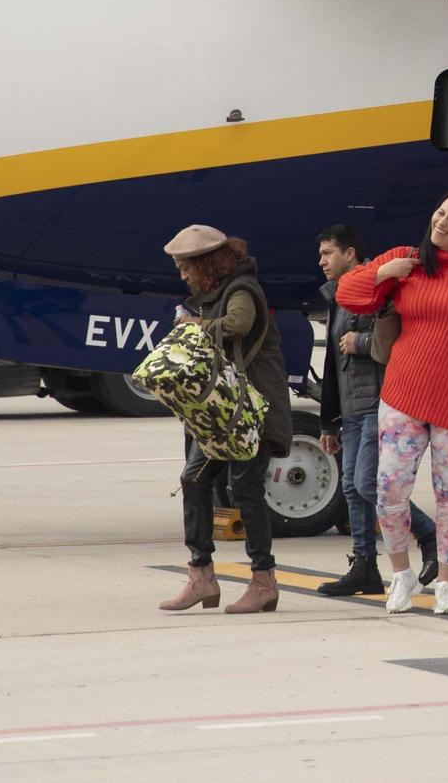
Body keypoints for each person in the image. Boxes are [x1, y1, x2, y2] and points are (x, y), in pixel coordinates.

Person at [334, 193, 448, 616]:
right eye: (439, 214)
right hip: (404, 393)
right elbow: (347, 294)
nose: (443, 223)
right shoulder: (407, 260)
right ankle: (401, 575)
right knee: (388, 490)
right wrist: (385, 271)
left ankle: (447, 584)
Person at [157, 225, 294, 616]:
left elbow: (238, 325)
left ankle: (264, 581)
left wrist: (194, 326)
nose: (183, 276)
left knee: (245, 487)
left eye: (186, 268)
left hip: (252, 412)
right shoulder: (211, 296)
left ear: (207, 264)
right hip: (223, 414)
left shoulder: (241, 290)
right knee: (193, 479)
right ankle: (201, 575)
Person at [314, 225, 440, 597]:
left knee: (368, 483)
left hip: (380, 401)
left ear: (350, 254)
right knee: (352, 488)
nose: (321, 261)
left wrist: (361, 341)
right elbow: (333, 363)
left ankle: (427, 532)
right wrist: (329, 420)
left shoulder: (379, 285)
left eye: (327, 253)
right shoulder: (337, 295)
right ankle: (365, 566)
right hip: (353, 407)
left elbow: (399, 336)